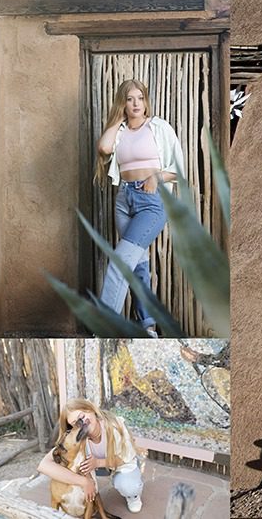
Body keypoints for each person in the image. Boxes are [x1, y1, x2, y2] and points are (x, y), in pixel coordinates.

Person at [94, 79, 186, 337]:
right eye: (129, 99)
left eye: (140, 98)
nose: (136, 104)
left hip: (152, 201)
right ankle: (148, 327)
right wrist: (117, 118)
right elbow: (104, 148)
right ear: (123, 103)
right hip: (124, 200)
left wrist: (156, 177)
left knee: (120, 263)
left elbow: (179, 168)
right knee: (138, 266)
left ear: (146, 101)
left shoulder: (158, 127)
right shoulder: (120, 130)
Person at [37, 398, 147, 514]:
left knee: (128, 485)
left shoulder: (115, 426)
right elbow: (43, 465)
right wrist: (84, 481)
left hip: (120, 464)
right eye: (75, 423)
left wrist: (98, 462)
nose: (81, 423)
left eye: (82, 416)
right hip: (96, 468)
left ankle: (133, 496)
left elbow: (125, 458)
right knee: (67, 468)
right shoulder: (79, 437)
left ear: (91, 409)